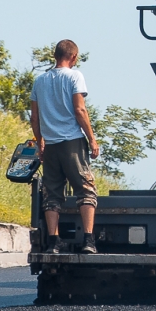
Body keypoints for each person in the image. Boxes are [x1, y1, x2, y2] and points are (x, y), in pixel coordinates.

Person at [30, 40, 100, 254]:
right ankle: (88, 240)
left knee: (52, 194)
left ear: (55, 55)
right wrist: (92, 139)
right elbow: (80, 110)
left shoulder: (39, 81)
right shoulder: (75, 76)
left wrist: (40, 141)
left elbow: (35, 117)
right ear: (74, 57)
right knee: (86, 190)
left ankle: (54, 242)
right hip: (72, 142)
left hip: (50, 145)